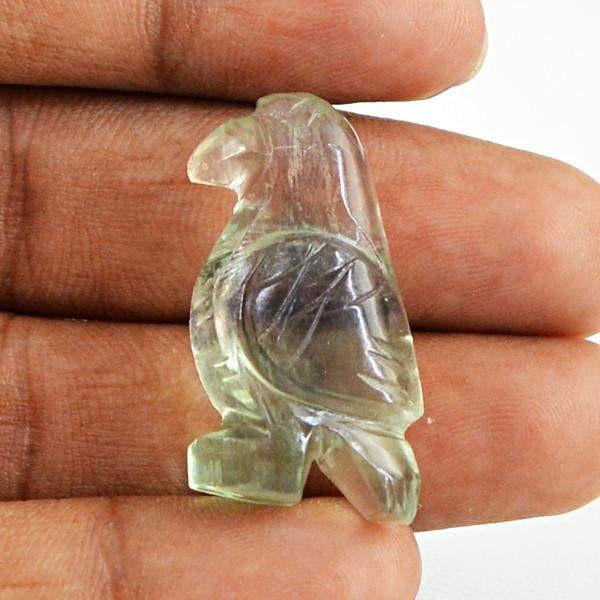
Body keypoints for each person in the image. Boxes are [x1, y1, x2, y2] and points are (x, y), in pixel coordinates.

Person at [0, 1, 597, 598]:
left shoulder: (303, 256)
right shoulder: (290, 244)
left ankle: (283, 448)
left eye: (268, 139)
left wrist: (363, 424)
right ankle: (271, 444)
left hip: (336, 401)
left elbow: (306, 350)